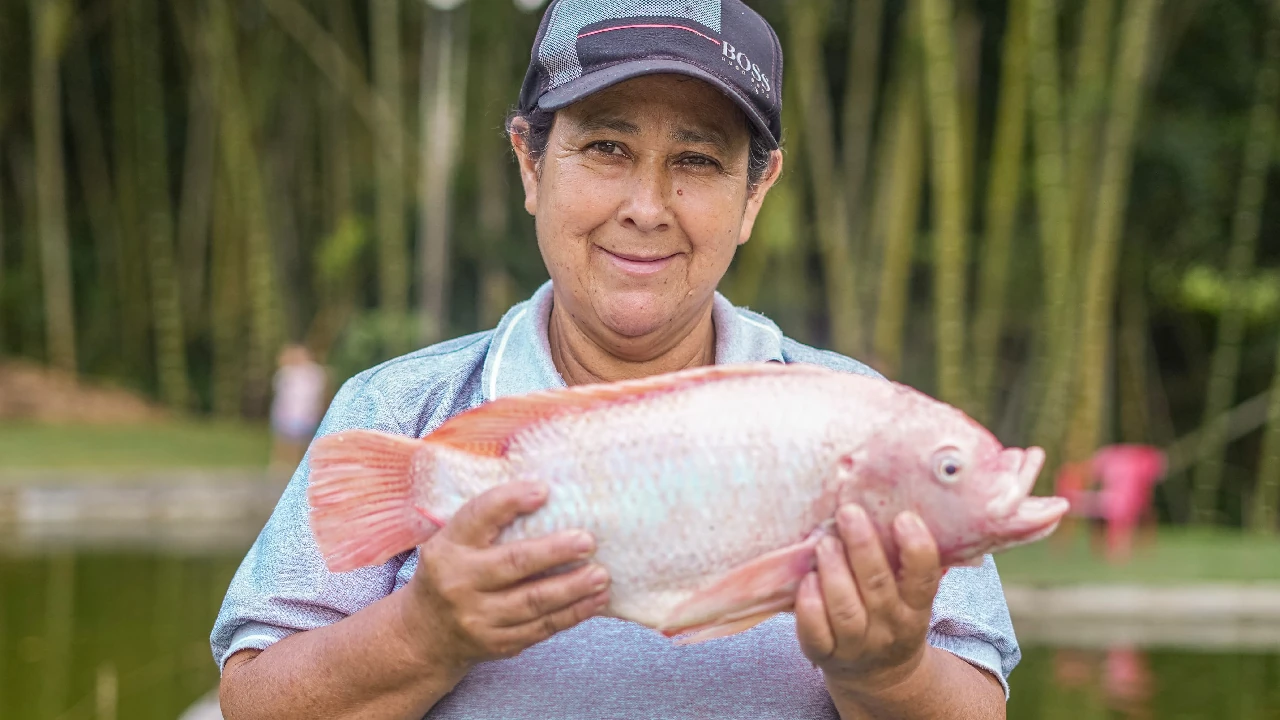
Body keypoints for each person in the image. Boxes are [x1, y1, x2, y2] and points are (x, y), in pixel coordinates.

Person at [213, 1, 1019, 717]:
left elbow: (977, 703)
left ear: (756, 193)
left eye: (698, 162)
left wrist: (885, 670)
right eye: (605, 147)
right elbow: (253, 699)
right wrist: (423, 633)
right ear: (530, 163)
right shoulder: (400, 416)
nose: (645, 208)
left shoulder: (866, 424)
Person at [268, 344, 328, 472]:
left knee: (302, 439)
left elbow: (317, 392)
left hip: (305, 411)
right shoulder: (287, 372)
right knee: (283, 437)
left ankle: (298, 463)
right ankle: (281, 463)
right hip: (286, 410)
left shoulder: (314, 373)